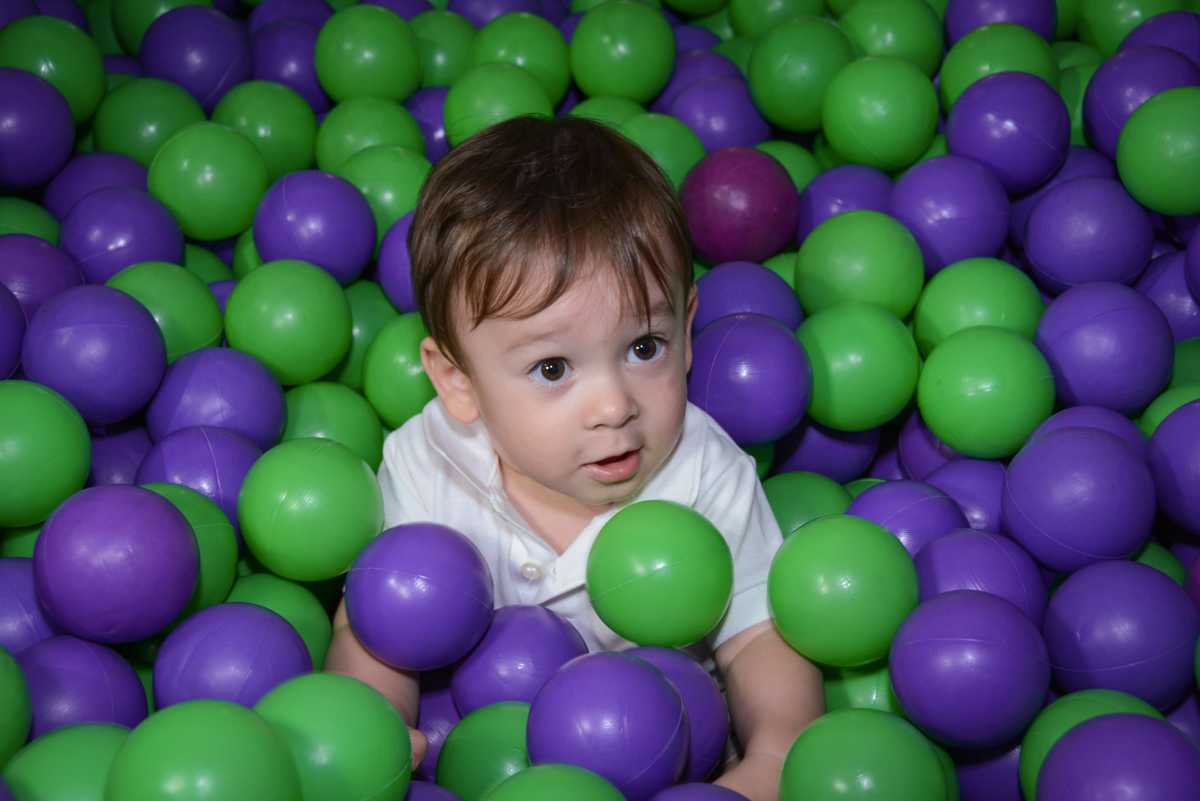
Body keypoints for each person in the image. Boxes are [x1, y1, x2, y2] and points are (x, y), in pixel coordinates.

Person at [325, 115, 824, 801]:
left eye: (644, 347)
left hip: (674, 752)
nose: (614, 405)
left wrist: (774, 752)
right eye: (554, 366)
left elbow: (759, 636)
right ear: (458, 382)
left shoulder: (705, 470)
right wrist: (373, 721)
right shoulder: (429, 460)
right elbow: (378, 620)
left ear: (687, 329)